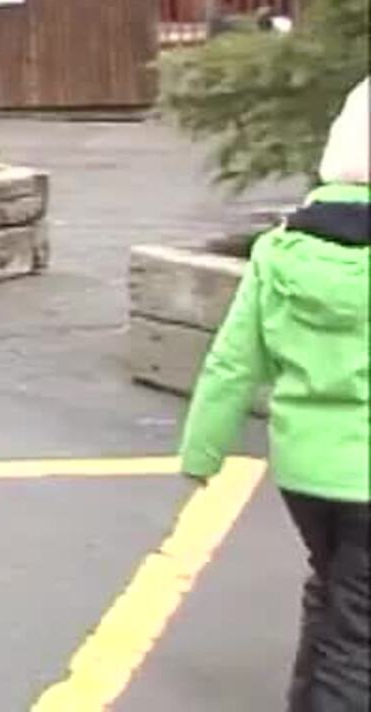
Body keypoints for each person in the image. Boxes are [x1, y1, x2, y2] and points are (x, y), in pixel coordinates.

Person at [180, 76, 370, 712]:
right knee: (359, 633)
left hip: (304, 473)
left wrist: (202, 452)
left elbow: (233, 363)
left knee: (332, 589)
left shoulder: (278, 252)